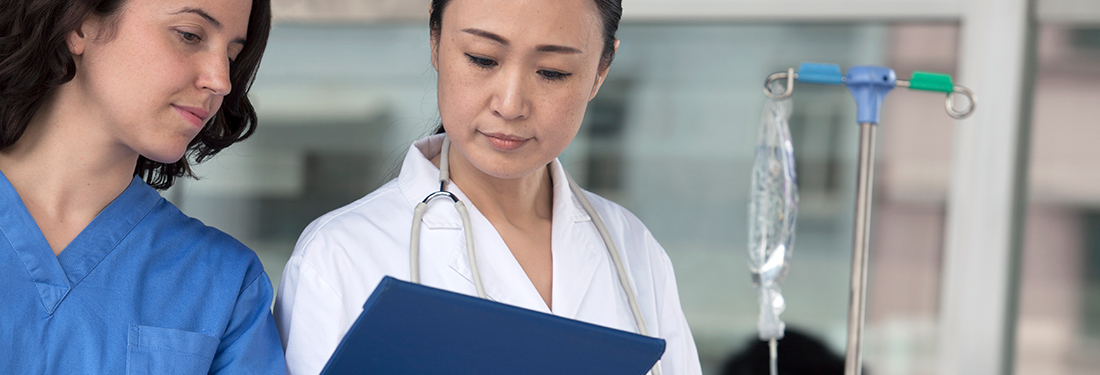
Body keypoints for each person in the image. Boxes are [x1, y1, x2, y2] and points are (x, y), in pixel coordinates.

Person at [274, 0, 703, 374]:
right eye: (482, 59)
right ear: (435, 39)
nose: (511, 104)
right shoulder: (340, 256)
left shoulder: (634, 251)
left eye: (552, 72)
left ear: (600, 71)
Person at [0, 0, 285, 373]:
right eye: (189, 35)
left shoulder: (223, 284)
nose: (221, 80)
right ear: (79, 25)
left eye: (232, 55)